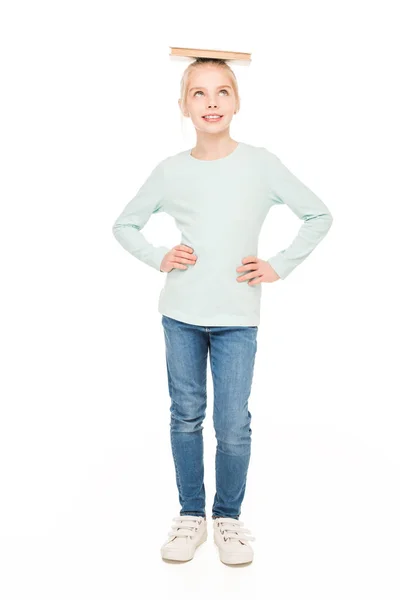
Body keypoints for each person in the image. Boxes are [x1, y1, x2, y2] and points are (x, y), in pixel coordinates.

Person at [112, 57, 333, 565]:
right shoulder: (170, 170)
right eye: (199, 93)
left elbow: (318, 214)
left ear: (237, 101)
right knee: (186, 415)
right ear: (184, 105)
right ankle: (191, 516)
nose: (211, 102)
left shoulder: (261, 163)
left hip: (238, 317)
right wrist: (159, 256)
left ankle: (227, 519)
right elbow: (125, 225)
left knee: (232, 422)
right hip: (181, 314)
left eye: (222, 92)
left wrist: (278, 266)